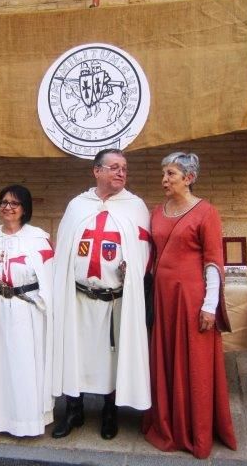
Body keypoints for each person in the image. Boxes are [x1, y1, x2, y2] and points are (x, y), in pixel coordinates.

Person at [142, 152, 237, 459]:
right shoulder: (157, 211)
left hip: (192, 299)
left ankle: (195, 430)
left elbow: (213, 262)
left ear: (189, 178)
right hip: (163, 298)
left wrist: (210, 305)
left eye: (170, 174)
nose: (164, 180)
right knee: (166, 359)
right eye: (163, 174)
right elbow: (150, 253)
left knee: (193, 364)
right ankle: (166, 422)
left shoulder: (206, 212)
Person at [52, 148, 151, 440]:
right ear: (97, 171)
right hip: (79, 298)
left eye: (124, 168)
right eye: (114, 167)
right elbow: (65, 246)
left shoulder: (135, 206)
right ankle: (74, 409)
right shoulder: (77, 205)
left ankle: (110, 412)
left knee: (113, 357)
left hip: (114, 300)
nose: (121, 172)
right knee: (75, 352)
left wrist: (131, 268)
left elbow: (143, 247)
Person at [0, 185, 54, 437]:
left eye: (14, 203)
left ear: (25, 208)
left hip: (26, 312)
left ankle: (26, 420)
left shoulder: (39, 239)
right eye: (3, 202)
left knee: (24, 366)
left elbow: (50, 280)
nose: (8, 207)